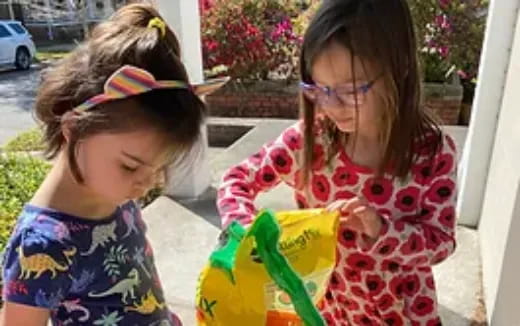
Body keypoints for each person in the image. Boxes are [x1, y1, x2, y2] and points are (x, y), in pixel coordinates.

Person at [217, 0, 457, 324]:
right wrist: (246, 231)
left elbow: (441, 243)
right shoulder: (310, 140)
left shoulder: (431, 154)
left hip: (402, 314)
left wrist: (381, 229)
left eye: (351, 91)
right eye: (319, 89)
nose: (333, 105)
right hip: (330, 312)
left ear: (397, 68)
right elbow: (236, 180)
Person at [1, 3, 225, 325]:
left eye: (159, 168)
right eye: (131, 167)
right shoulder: (42, 244)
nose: (148, 184)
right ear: (74, 128)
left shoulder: (117, 195)